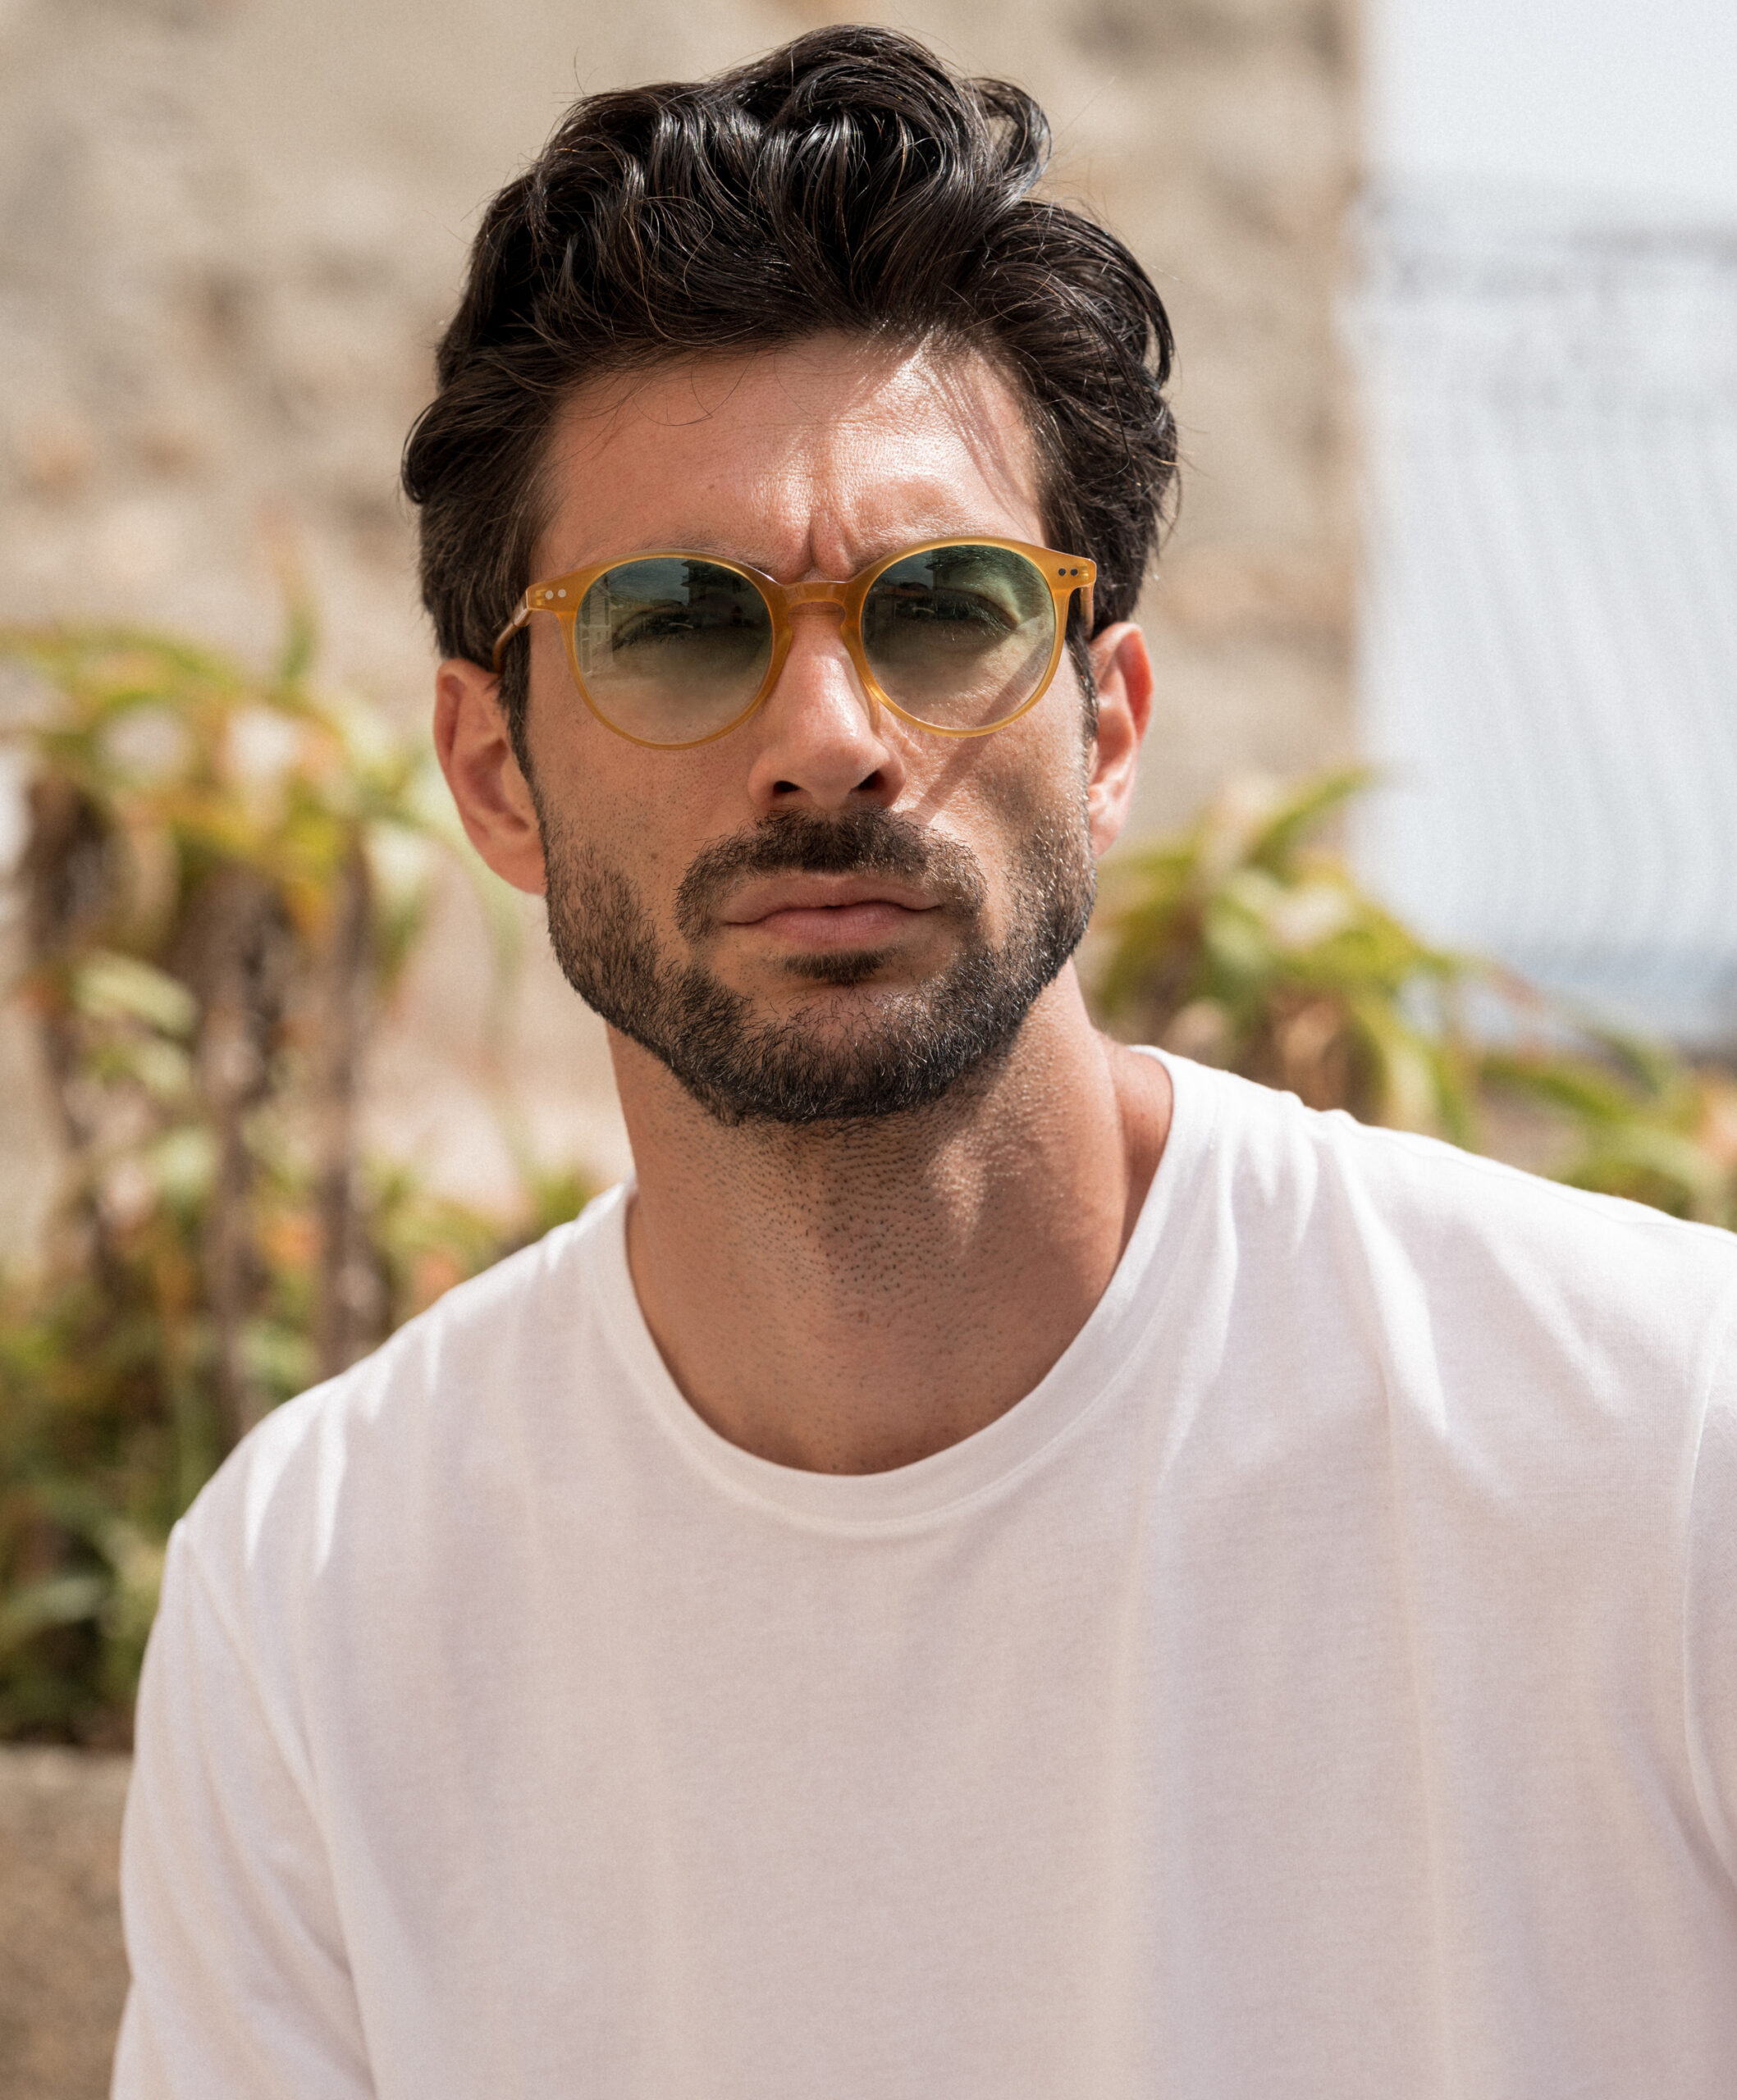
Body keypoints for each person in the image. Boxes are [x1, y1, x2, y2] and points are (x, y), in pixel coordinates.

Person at [114, 26, 1737, 2099]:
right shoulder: (316, 1602)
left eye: (944, 605)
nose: (829, 738)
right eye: (677, 622)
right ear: (494, 772)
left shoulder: (1660, 1450)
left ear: (1109, 726)